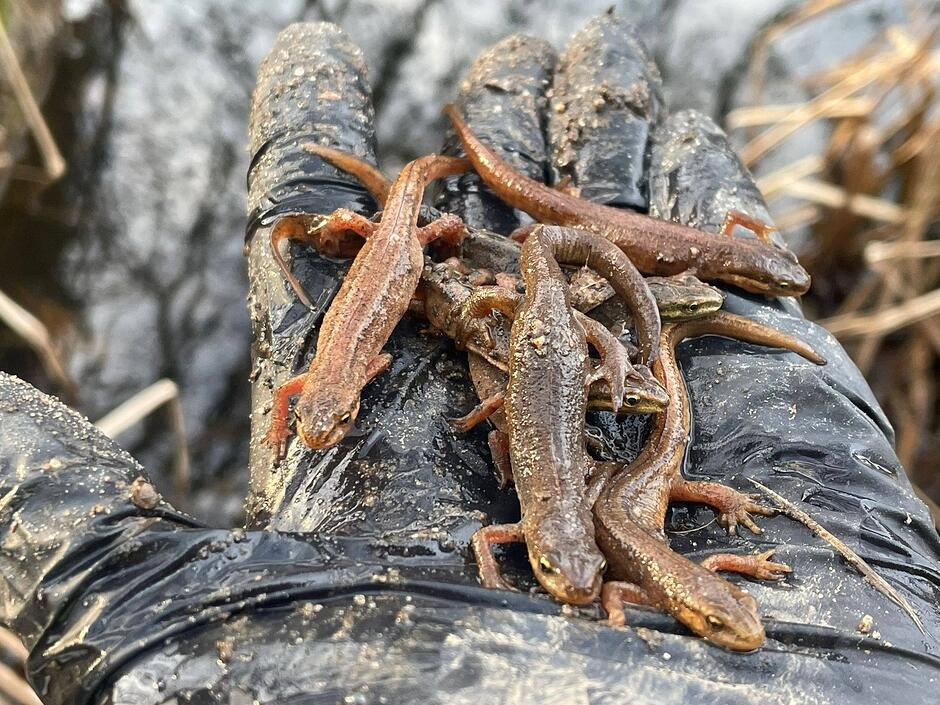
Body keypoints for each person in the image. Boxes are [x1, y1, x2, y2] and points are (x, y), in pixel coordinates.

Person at [2, 14, 939, 705]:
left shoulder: (575, 534)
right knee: (530, 287)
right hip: (517, 334)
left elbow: (564, 522)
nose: (571, 593)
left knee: (555, 299)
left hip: (541, 349)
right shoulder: (538, 511)